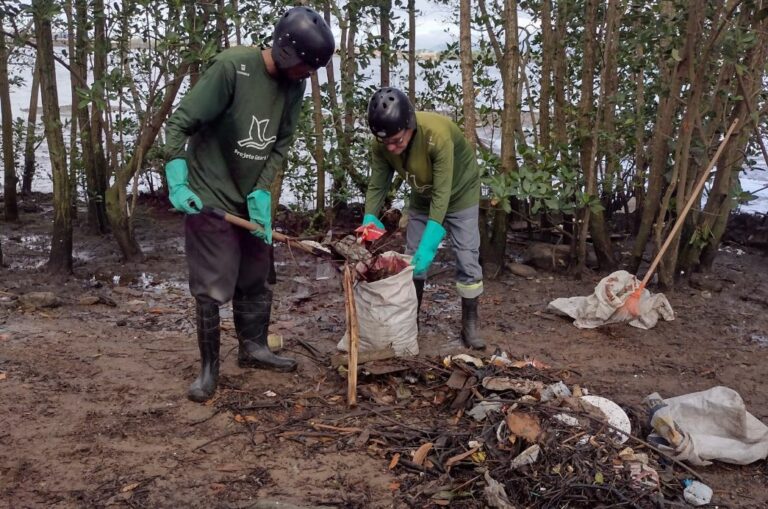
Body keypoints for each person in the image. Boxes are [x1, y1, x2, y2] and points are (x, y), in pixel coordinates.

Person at [163, 6, 335, 402]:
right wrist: (177, 177)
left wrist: (261, 193)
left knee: (257, 273)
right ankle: (209, 370)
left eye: (312, 71)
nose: (307, 76)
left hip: (249, 195)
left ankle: (254, 348)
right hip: (211, 193)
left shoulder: (295, 85)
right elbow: (180, 123)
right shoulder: (231, 68)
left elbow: (281, 143)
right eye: (306, 68)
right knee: (212, 282)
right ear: (287, 52)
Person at [361, 87, 485, 350]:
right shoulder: (382, 145)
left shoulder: (436, 135)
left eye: (397, 140)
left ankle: (470, 325)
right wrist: (370, 217)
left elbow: (443, 193)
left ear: (409, 126)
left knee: (466, 256)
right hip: (423, 194)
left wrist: (433, 239)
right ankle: (410, 321)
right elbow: (377, 184)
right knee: (413, 258)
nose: (392, 148)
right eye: (386, 143)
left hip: (459, 193)